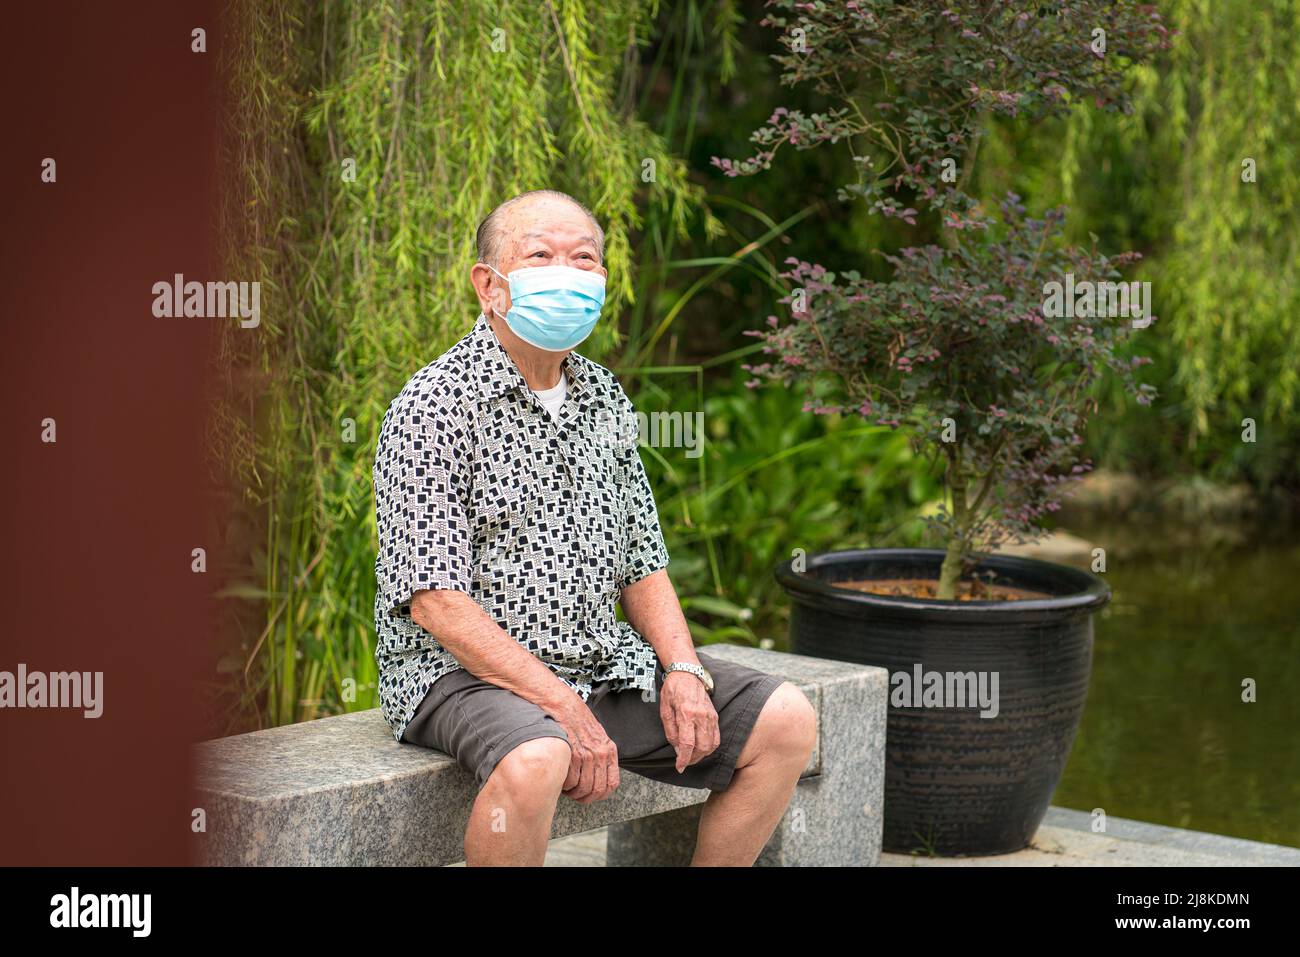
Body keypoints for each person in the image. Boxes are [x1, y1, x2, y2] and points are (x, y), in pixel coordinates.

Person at [372, 189, 816, 866]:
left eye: (585, 259)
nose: (568, 273)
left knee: (785, 721)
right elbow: (436, 602)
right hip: (459, 675)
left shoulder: (603, 395)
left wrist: (684, 669)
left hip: (596, 661)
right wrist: (561, 708)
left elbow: (642, 559)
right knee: (538, 754)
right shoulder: (434, 404)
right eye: (542, 255)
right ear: (490, 285)